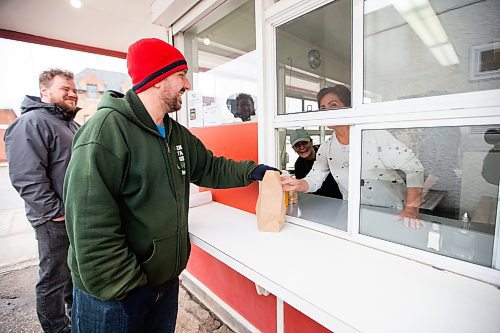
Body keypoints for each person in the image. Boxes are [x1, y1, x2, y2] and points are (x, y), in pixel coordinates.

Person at [63, 38, 276, 333]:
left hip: (162, 283)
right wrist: (126, 287)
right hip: (114, 296)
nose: (187, 85)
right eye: (181, 76)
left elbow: (208, 167)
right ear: (157, 79)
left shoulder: (173, 131)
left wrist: (255, 171)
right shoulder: (105, 131)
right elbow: (88, 225)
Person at [281, 85, 425, 228]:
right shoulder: (327, 147)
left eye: (333, 105)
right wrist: (298, 184)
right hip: (352, 213)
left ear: (348, 107)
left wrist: (411, 208)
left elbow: (413, 166)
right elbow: (314, 179)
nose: (327, 112)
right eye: (323, 108)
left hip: (391, 213)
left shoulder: (375, 136)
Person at [4, 69, 79, 332]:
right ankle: (57, 329)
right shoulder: (30, 123)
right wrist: (55, 212)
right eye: (64, 89)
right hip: (54, 219)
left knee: (72, 274)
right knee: (54, 279)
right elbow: (26, 177)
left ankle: (76, 321)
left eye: (74, 89)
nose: (72, 93)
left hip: (73, 216)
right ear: (44, 91)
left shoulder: (69, 123)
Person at [289, 128, 342, 198]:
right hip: (316, 201)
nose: (301, 147)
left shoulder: (326, 152)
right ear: (293, 149)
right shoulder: (299, 164)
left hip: (339, 198)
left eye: (304, 142)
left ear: (311, 142)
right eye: (297, 145)